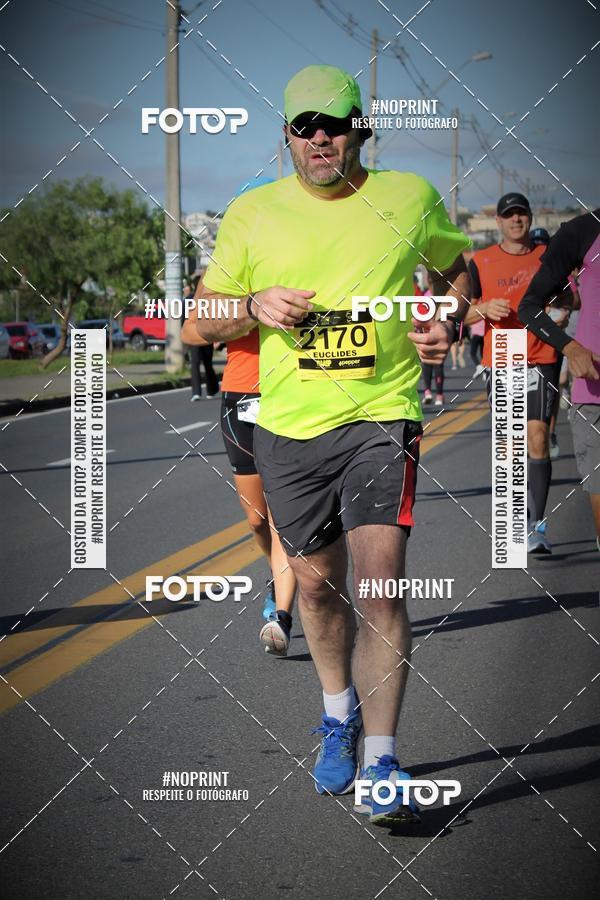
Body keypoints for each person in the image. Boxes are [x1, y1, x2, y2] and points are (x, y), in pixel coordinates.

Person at [196, 64, 471, 825]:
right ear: (285, 135)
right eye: (304, 124)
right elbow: (198, 322)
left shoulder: (409, 197)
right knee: (315, 587)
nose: (321, 136)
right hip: (286, 428)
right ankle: (338, 711)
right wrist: (250, 304)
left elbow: (459, 271)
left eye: (336, 123)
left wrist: (446, 316)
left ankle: (383, 765)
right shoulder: (252, 215)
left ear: (361, 129)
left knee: (380, 584)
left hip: (383, 415)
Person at [182, 179, 297, 656]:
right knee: (256, 518)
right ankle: (277, 574)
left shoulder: (302, 261)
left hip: (295, 394)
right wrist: (251, 308)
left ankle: (282, 613)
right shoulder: (227, 272)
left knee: (286, 515)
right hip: (240, 395)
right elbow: (192, 330)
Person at [464, 193, 557, 553]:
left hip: (541, 352)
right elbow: (461, 314)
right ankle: (514, 521)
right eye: (509, 215)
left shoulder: (546, 258)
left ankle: (537, 525)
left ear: (530, 219)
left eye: (522, 214)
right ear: (499, 222)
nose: (516, 220)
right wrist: (485, 307)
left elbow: (572, 298)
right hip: (502, 353)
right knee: (508, 446)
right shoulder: (482, 261)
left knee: (536, 437)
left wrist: (560, 305)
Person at [519, 208, 600, 552]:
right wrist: (570, 347)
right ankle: (529, 527)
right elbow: (530, 306)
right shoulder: (583, 231)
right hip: (593, 394)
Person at [184, 281, 220, 401]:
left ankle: (211, 389)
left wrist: (216, 337)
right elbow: (184, 319)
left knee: (207, 363)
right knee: (195, 363)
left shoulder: (210, 299)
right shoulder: (189, 300)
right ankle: (196, 392)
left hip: (206, 336)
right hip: (194, 336)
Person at [421, 274, 446, 406]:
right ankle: (439, 396)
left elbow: (418, 315)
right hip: (440, 334)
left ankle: (428, 392)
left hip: (426, 334)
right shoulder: (444, 296)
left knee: (426, 364)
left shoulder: (425, 296)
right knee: (438, 365)